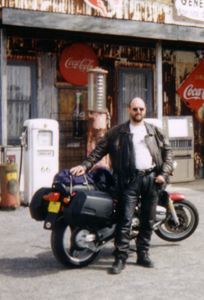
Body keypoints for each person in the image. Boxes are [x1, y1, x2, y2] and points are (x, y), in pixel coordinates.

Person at [69, 97, 173, 274]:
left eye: (141, 109)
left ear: (145, 110)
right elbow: (98, 152)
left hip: (151, 179)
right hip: (128, 181)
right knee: (124, 220)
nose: (138, 112)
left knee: (148, 220)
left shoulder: (154, 131)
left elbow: (168, 153)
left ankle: (143, 254)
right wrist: (84, 166)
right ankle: (120, 257)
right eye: (134, 109)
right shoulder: (116, 132)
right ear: (129, 110)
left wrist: (163, 174)